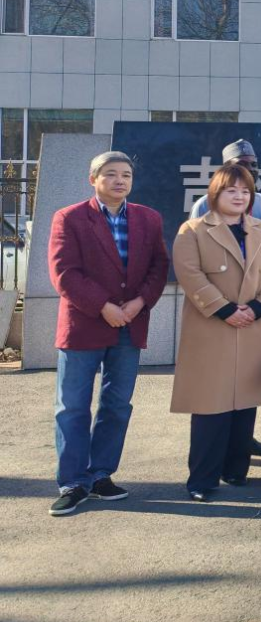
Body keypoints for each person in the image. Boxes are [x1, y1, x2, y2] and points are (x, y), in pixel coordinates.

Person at [46, 152, 170, 516]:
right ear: (93, 179)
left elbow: (159, 266)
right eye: (111, 174)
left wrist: (139, 303)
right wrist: (103, 306)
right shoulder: (69, 217)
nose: (120, 180)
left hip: (130, 323)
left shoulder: (148, 218)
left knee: (117, 404)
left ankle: (100, 474)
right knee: (72, 405)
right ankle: (73, 482)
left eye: (126, 175)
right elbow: (64, 272)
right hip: (84, 323)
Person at [171, 164, 261, 501]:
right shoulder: (193, 230)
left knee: (246, 402)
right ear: (215, 193)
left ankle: (236, 470)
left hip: (255, 324)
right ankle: (202, 480)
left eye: (245, 191)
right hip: (212, 327)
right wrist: (224, 309)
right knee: (211, 406)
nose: (239, 197)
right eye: (231, 190)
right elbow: (190, 274)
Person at [189, 139, 261, 220]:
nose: (250, 169)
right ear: (226, 169)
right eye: (241, 164)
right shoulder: (204, 205)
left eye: (254, 164)